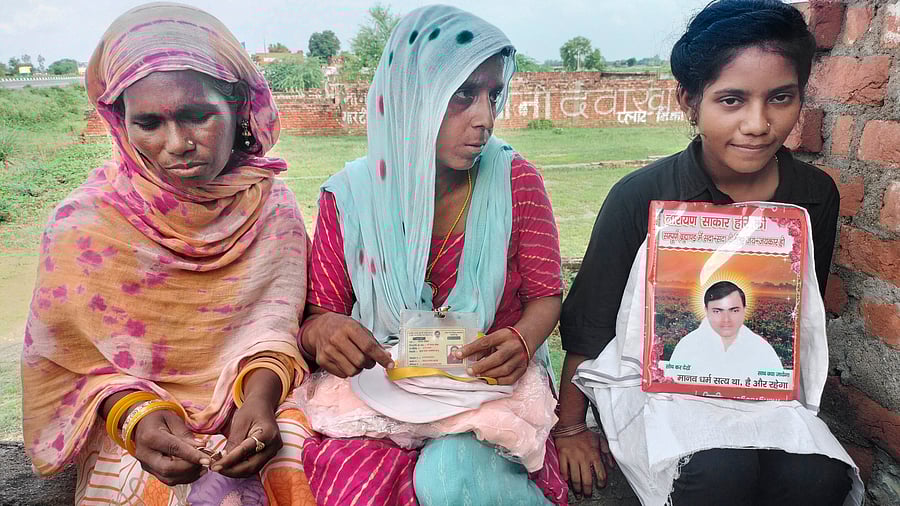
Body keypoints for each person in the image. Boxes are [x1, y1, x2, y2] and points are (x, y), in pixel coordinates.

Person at [554, 1, 861, 504]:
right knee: (718, 472)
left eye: (781, 98)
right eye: (732, 100)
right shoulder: (640, 196)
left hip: (762, 387)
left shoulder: (812, 195)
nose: (758, 124)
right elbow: (590, 323)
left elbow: (799, 314)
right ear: (689, 101)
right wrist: (570, 427)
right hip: (653, 390)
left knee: (818, 477)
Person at [21, 3, 316, 504]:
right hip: (136, 426)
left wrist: (260, 397)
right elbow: (73, 364)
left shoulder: (271, 206)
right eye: (149, 123)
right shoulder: (84, 225)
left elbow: (278, 327)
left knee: (298, 474)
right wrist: (134, 416)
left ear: (238, 108)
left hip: (262, 403)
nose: (177, 144)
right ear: (121, 123)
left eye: (197, 116)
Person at [299, 5, 566, 505]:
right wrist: (326, 333)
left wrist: (523, 339)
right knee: (357, 484)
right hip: (382, 390)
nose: (484, 119)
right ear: (409, 96)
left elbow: (546, 295)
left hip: (488, 390)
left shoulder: (515, 182)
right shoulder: (350, 198)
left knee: (453, 476)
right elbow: (320, 315)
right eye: (462, 94)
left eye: (492, 95)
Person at [668, 281, 784, 379]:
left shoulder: (762, 349)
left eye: (734, 311)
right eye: (717, 311)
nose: (726, 320)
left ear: (744, 310)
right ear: (706, 311)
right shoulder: (687, 346)